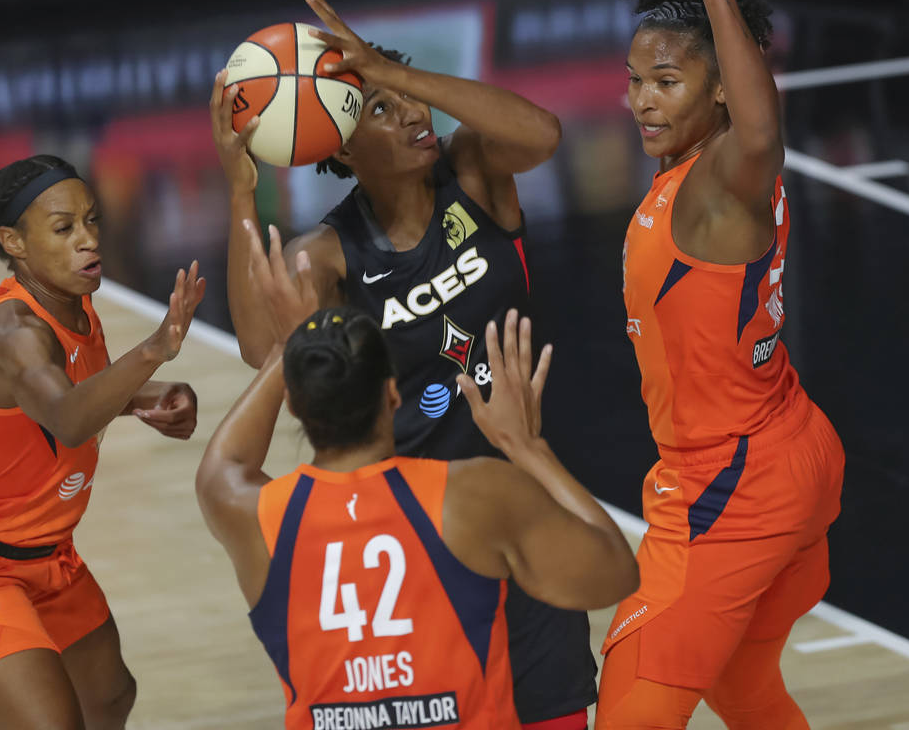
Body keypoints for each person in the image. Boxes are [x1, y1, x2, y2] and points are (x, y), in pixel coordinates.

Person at [210, 0, 598, 727]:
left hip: (523, 497)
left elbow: (543, 134)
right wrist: (240, 189)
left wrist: (390, 72)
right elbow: (265, 351)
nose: (413, 115)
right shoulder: (326, 252)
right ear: (342, 143)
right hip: (431, 527)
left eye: (408, 96)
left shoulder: (476, 173)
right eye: (381, 109)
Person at [195, 232, 638, 729]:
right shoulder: (474, 495)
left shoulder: (255, 518)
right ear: (392, 394)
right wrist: (527, 448)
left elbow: (222, 464)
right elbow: (617, 571)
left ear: (293, 403)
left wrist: (289, 343)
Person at [595, 0, 846, 728]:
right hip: (788, 444)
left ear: (725, 91)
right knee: (743, 688)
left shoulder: (719, 188)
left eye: (667, 81)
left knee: (630, 708)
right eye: (636, 81)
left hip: (726, 486)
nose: (643, 100)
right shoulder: (699, 179)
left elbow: (764, 136)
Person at [0, 154, 206, 729]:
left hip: (48, 554)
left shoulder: (73, 303)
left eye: (92, 221)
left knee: (111, 698)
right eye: (64, 229)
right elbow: (67, 416)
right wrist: (154, 350)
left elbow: (73, 391)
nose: (88, 240)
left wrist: (147, 395)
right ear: (14, 241)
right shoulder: (14, 332)